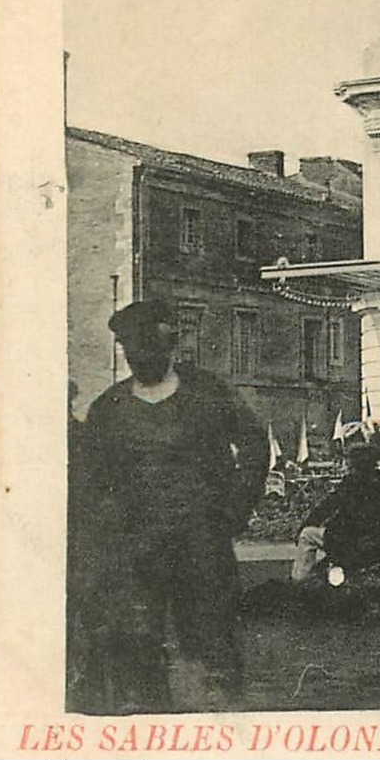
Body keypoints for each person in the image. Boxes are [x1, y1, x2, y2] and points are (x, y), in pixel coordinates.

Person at [69, 299, 268, 713]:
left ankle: (221, 736)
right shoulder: (110, 410)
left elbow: (253, 442)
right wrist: (110, 534)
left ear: (169, 344)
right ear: (124, 351)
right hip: (138, 559)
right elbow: (89, 482)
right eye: (131, 348)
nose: (141, 355)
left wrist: (234, 508)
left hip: (203, 550)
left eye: (150, 345)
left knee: (213, 653)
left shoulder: (206, 393)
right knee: (139, 656)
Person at [292, 442, 380, 580]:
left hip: (349, 539)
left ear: (356, 463)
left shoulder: (351, 483)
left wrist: (304, 525)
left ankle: (300, 582)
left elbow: (327, 507)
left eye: (349, 460)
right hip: (379, 540)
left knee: (307, 535)